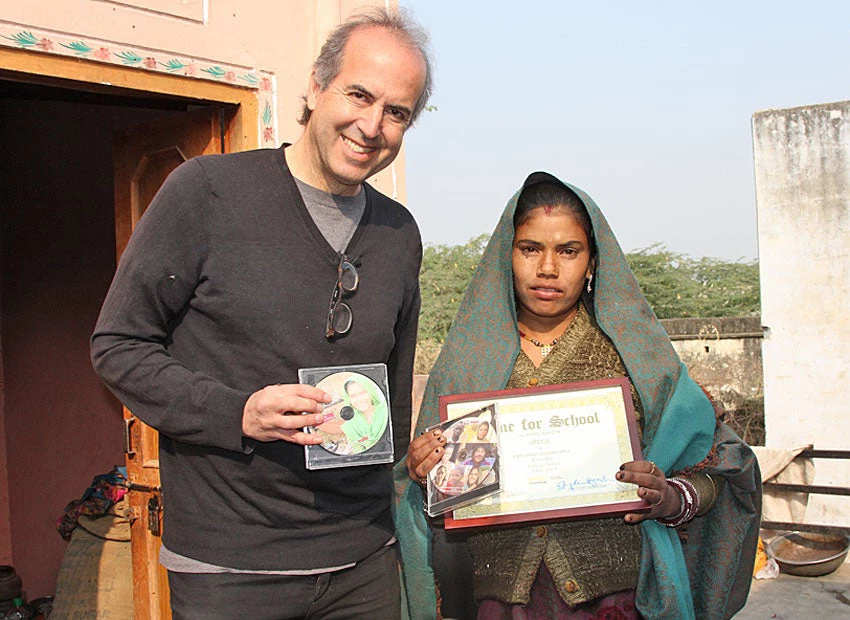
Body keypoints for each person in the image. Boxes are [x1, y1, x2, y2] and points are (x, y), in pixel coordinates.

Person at [90, 8, 433, 619]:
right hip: (231, 568)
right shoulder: (206, 192)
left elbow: (394, 389)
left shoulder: (397, 232)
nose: (372, 125)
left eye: (397, 112)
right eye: (359, 94)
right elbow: (119, 346)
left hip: (363, 564)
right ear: (317, 86)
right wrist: (237, 412)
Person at [394, 172, 761, 619]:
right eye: (530, 249)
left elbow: (722, 467)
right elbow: (436, 509)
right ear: (506, 258)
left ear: (591, 263)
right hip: (503, 605)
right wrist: (423, 473)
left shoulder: (636, 355)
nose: (547, 268)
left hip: (618, 602)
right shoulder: (469, 363)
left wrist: (668, 497)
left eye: (568, 251)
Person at [339, 377, 389, 453]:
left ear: (370, 392)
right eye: (353, 396)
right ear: (348, 399)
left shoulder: (386, 410)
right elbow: (357, 452)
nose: (359, 399)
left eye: (363, 393)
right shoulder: (350, 426)